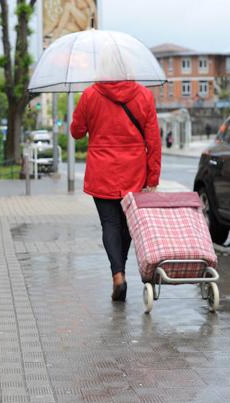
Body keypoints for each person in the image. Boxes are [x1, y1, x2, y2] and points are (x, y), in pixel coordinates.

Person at [70, 81, 161, 302]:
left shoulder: (90, 94)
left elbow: (77, 132)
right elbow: (153, 140)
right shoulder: (144, 95)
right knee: (127, 225)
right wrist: (153, 177)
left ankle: (118, 276)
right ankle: (120, 270)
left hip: (102, 171)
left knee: (109, 224)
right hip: (134, 172)